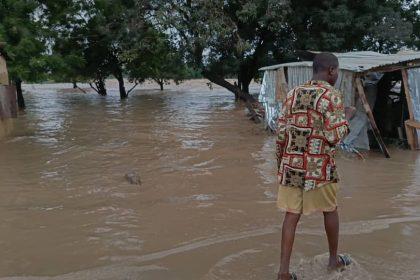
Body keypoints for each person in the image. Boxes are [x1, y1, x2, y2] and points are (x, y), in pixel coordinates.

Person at [275, 53, 354, 280]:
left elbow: (281, 135)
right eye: (337, 71)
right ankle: (333, 261)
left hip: (292, 167)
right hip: (319, 167)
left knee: (291, 216)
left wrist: (281, 165)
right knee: (330, 209)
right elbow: (334, 136)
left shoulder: (292, 94)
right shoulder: (331, 96)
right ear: (330, 70)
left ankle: (283, 273)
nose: (337, 75)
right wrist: (347, 115)